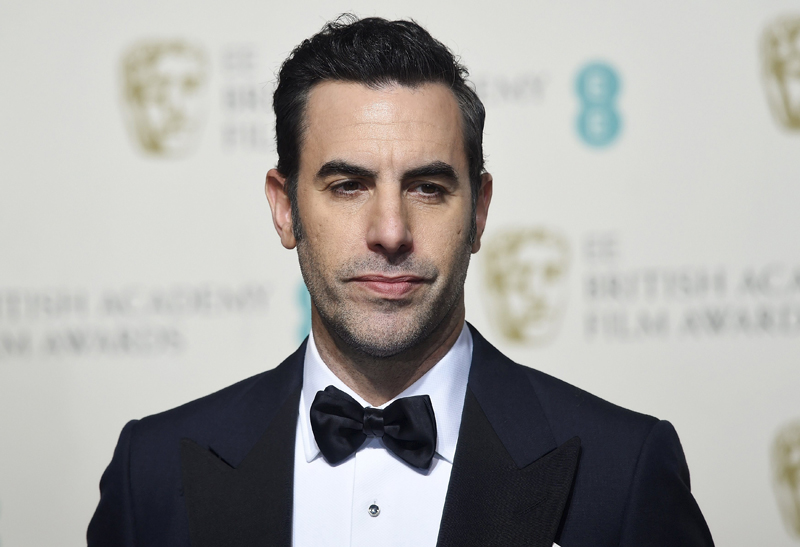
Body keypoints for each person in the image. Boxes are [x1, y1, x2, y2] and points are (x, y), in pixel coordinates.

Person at [88, 15, 714, 547]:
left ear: (479, 212)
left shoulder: (623, 471)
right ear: (285, 209)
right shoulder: (152, 472)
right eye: (348, 186)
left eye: (428, 188)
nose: (390, 231)